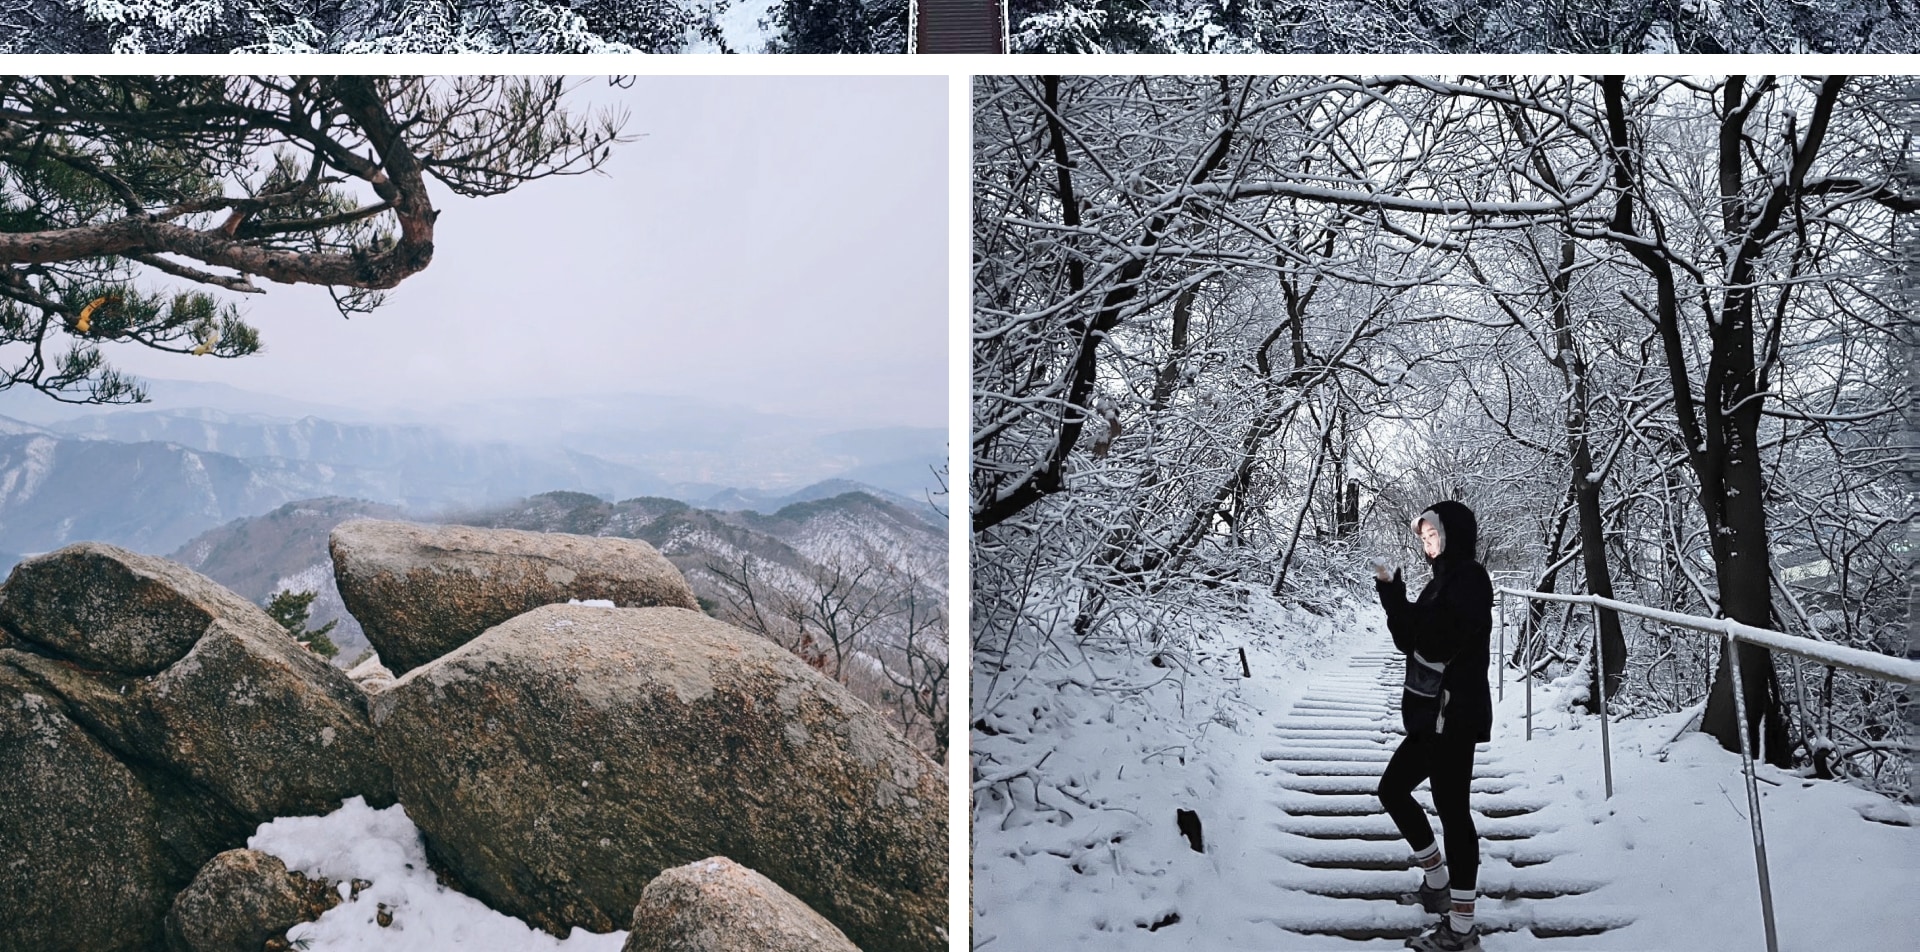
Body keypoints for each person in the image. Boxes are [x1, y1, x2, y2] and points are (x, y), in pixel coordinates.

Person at [1371, 501, 1494, 952]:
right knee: (1393, 790)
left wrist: (1417, 621)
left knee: (1453, 811)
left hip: (1454, 715)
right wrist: (1392, 592)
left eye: (1433, 535)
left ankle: (1461, 929)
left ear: (1452, 534)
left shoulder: (1470, 579)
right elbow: (1409, 639)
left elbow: (1440, 639)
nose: (1427, 544)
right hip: (1430, 715)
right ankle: (1438, 883)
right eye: (1422, 537)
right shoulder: (1439, 582)